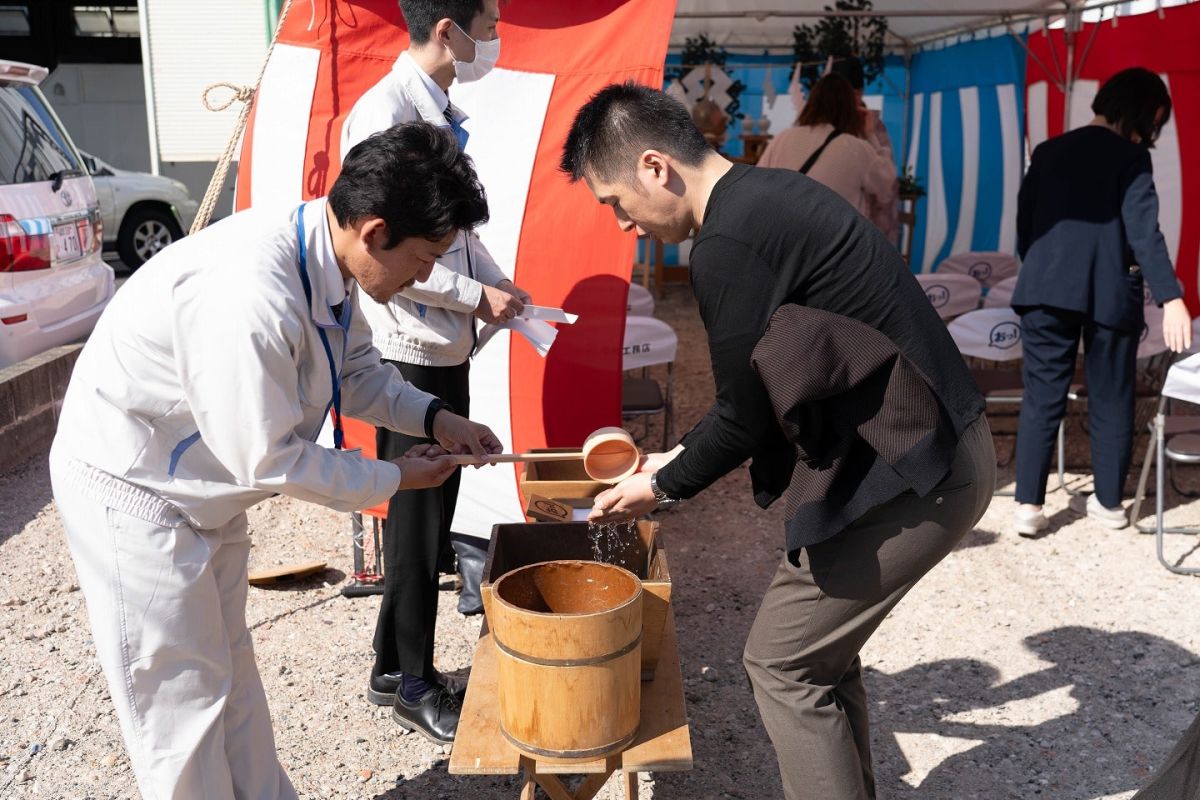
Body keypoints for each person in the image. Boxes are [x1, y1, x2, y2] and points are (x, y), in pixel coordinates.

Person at [563, 82, 994, 800]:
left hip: (921, 469)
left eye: (615, 202)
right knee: (819, 660)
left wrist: (661, 486)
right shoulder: (763, 195)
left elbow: (745, 420)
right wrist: (677, 456)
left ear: (653, 167)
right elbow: (750, 399)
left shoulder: (726, 243)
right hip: (931, 447)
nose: (623, 224)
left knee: (782, 665)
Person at [49, 122, 503, 800]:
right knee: (179, 705)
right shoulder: (250, 295)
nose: (425, 277)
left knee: (229, 672)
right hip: (136, 491)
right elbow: (269, 459)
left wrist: (437, 418)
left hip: (203, 486)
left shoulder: (327, 259)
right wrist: (397, 476)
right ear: (375, 230)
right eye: (424, 258)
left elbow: (358, 374)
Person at [339, 0, 531, 745]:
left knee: (432, 514)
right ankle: (415, 683)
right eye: (486, 26)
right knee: (418, 525)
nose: (493, 41)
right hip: (406, 349)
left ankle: (392, 663)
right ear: (446, 30)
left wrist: (498, 286)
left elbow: (453, 235)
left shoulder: (441, 112)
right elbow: (392, 258)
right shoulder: (384, 114)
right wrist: (470, 294)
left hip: (445, 346)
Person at [1011, 67, 1191, 537]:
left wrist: (1044, 269)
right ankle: (1109, 502)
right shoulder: (1130, 158)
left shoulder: (1048, 152)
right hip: (1111, 291)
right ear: (1140, 110)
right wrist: (1172, 297)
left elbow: (1026, 227)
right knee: (1112, 395)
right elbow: (1144, 232)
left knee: (1042, 395)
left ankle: (1028, 506)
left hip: (1045, 288)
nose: (1152, 131)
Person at [757, 73, 896, 227]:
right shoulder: (857, 148)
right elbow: (885, 186)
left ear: (811, 104)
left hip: (784, 237)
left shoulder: (782, 139)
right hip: (833, 242)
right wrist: (870, 135)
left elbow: (757, 186)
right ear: (851, 109)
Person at [829, 55, 901, 244]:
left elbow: (887, 180)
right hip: (834, 222)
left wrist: (870, 135)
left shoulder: (873, 124)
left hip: (869, 227)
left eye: (854, 94)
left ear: (860, 93)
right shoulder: (825, 125)